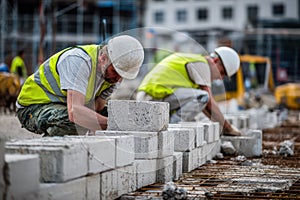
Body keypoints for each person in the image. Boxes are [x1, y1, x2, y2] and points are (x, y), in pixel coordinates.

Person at [16, 35, 144, 136]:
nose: (118, 79)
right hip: (33, 107)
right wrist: (114, 125)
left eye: (123, 75)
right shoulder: (78, 61)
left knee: (120, 115)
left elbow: (97, 108)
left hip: (64, 106)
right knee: (77, 122)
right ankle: (55, 149)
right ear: (103, 59)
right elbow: (75, 113)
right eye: (116, 72)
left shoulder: (114, 75)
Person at [136, 46, 242, 136]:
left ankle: (170, 125)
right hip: (152, 96)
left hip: (150, 96)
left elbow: (203, 105)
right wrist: (228, 128)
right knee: (203, 96)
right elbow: (207, 101)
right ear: (215, 61)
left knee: (198, 106)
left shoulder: (193, 61)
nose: (220, 78)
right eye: (222, 72)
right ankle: (172, 127)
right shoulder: (202, 64)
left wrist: (218, 126)